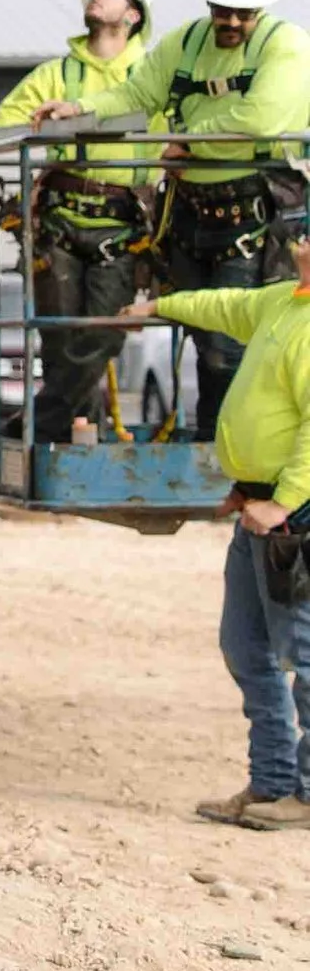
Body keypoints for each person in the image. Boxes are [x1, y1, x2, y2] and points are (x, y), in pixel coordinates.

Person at [125, 221, 310, 829]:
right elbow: (223, 304)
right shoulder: (284, 301)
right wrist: (158, 304)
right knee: (246, 646)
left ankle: (304, 796)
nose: (301, 244)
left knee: (303, 654)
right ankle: (273, 782)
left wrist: (282, 502)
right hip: (259, 507)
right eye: (303, 236)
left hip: (290, 515)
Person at [121, 0, 310, 434]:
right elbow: (135, 95)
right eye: (222, 9)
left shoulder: (285, 46)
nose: (231, 21)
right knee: (207, 339)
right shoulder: (185, 45)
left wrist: (191, 142)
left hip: (253, 220)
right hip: (189, 219)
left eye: (242, 12)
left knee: (230, 348)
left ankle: (235, 449)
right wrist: (79, 110)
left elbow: (262, 118)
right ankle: (215, 443)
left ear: (260, 8)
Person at [0, 0, 151, 442]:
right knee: (60, 339)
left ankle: (41, 424)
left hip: (121, 225)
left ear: (132, 14)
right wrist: (47, 122)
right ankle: (77, 432)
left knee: (107, 329)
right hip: (61, 218)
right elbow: (8, 121)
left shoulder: (150, 74)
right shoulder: (57, 74)